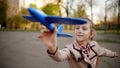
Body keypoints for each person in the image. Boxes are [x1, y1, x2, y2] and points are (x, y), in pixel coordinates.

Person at [38, 18, 118, 68]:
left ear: (91, 33)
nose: (79, 31)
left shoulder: (94, 45)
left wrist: (113, 54)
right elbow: (60, 56)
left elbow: (103, 51)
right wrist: (52, 48)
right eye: (77, 28)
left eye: (84, 29)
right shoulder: (70, 49)